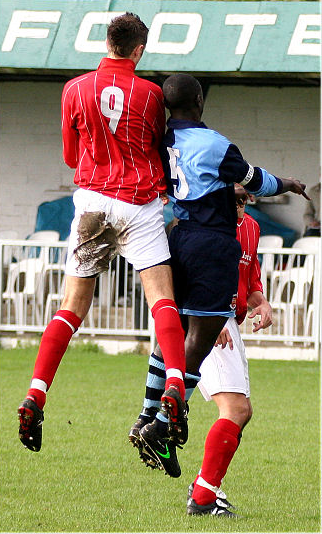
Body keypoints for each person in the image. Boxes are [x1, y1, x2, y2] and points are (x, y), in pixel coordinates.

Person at [129, 73, 309, 513]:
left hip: (176, 235)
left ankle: (151, 412)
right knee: (205, 338)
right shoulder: (214, 145)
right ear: (200, 100)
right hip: (210, 243)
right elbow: (256, 180)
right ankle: (163, 421)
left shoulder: (158, 139)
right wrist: (286, 182)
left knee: (175, 330)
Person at [17, 14, 187, 453]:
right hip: (137, 202)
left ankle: (37, 392)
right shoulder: (150, 94)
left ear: (107, 42)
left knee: (71, 308)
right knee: (162, 300)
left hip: (92, 200)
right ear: (138, 51)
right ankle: (174, 387)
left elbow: (71, 156)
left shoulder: (73, 89)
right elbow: (156, 148)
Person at [187, 184, 272, 517]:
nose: (240, 204)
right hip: (205, 321)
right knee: (235, 409)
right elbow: (186, 278)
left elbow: (249, 279)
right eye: (233, 197)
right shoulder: (203, 227)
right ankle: (204, 497)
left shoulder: (251, 228)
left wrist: (260, 300)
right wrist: (210, 315)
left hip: (229, 325)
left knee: (243, 411)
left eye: (245, 198)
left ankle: (205, 488)